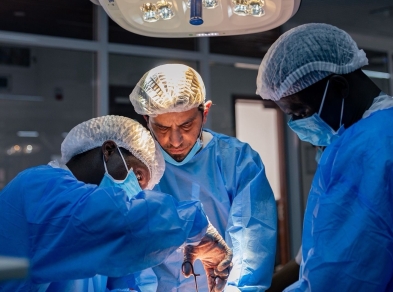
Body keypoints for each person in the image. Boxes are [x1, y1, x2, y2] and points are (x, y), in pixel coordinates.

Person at [0, 115, 232, 292]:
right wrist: (195, 223)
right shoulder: (39, 187)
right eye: (138, 177)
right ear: (109, 150)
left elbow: (124, 278)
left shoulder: (93, 234)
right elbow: (120, 221)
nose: (134, 194)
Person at [257, 23, 393, 291]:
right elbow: (314, 255)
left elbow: (342, 276)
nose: (297, 124)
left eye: (301, 111)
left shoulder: (365, 148)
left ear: (340, 87)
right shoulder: (374, 132)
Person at [129, 64, 277, 292]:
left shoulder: (238, 161)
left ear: (205, 112)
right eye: (162, 127)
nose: (175, 140)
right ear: (146, 119)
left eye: (186, 125)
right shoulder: (135, 168)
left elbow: (251, 246)